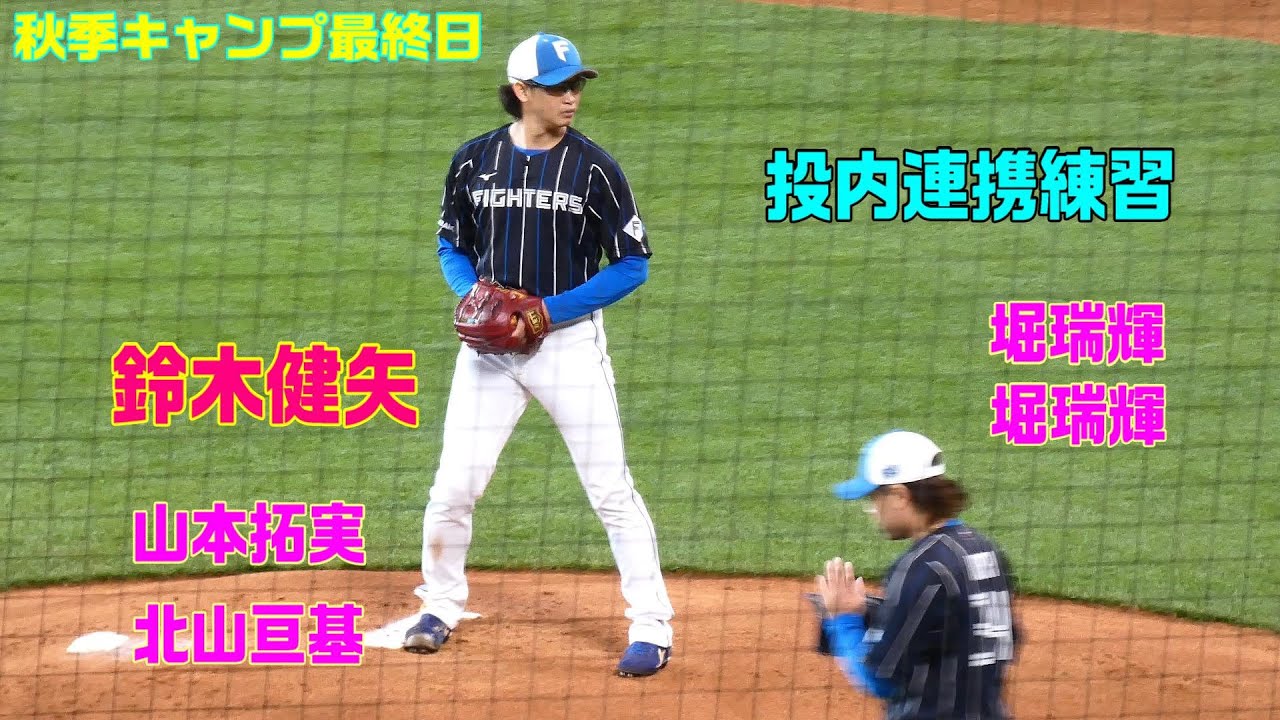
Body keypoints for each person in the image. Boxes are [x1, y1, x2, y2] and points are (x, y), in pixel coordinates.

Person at [402, 31, 676, 678]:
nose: (571, 97)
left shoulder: (595, 169)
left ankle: (652, 626)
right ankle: (439, 605)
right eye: (558, 87)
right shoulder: (473, 161)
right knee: (453, 487)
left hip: (568, 348)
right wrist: (476, 298)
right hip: (488, 353)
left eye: (577, 84)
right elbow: (451, 245)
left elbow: (632, 264)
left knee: (610, 489)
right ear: (522, 91)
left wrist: (546, 312)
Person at [815, 430, 1021, 718]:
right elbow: (1001, 637)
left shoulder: (921, 565)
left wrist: (844, 620)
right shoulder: (986, 550)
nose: (871, 510)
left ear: (899, 495)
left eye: (874, 498)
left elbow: (879, 678)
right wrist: (887, 613)